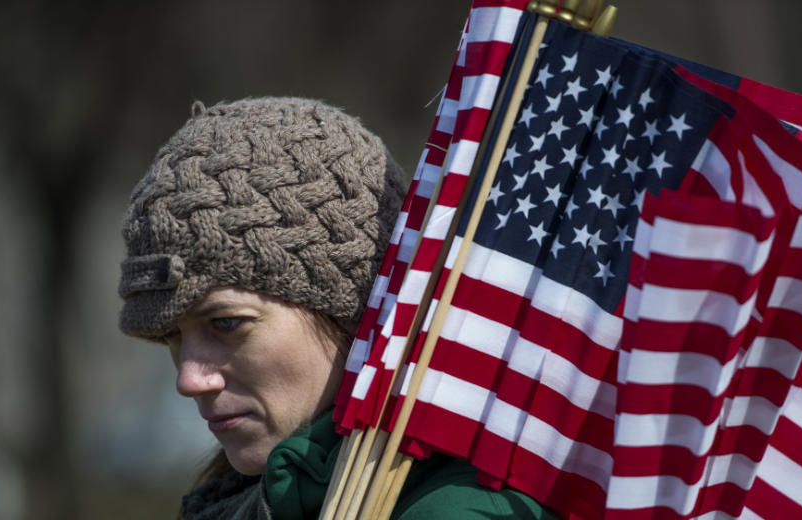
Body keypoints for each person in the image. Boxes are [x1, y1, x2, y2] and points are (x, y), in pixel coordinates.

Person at [117, 97, 557, 519]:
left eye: (226, 323)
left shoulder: (458, 508)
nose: (188, 379)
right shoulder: (237, 494)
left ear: (351, 313)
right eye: (171, 335)